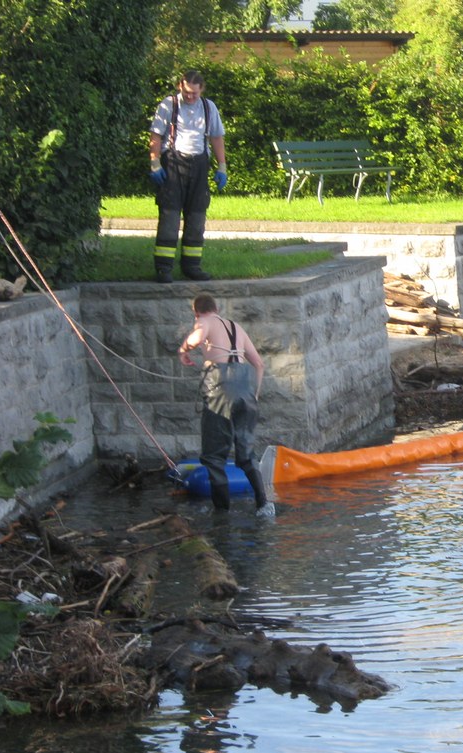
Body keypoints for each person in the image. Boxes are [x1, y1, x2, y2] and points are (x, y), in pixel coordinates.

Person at [178, 293, 274, 515]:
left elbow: (196, 338)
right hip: (245, 390)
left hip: (220, 387)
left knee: (214, 455)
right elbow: (259, 364)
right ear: (217, 308)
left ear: (196, 312)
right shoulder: (236, 327)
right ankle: (264, 504)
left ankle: (221, 514)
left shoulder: (204, 321)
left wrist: (183, 350)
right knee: (246, 452)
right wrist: (255, 394)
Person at [148, 70, 228, 284]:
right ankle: (164, 268)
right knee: (170, 215)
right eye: (187, 92)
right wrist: (155, 163)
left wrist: (222, 167)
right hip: (173, 164)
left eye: (194, 93)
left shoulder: (209, 108)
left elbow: (217, 138)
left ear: (202, 90)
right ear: (179, 87)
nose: (190, 97)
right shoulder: (169, 105)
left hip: (200, 165)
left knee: (197, 216)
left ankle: (192, 266)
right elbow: (155, 136)